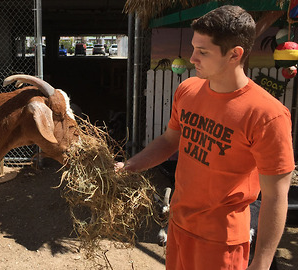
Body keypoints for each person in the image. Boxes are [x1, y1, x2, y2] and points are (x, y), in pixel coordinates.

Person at [116, 5, 294, 270]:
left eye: (203, 51)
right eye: (193, 47)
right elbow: (169, 141)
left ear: (235, 54)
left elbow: (276, 197)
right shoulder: (187, 90)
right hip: (178, 223)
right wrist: (130, 165)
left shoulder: (268, 115)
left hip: (221, 241)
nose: (192, 58)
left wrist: (262, 262)